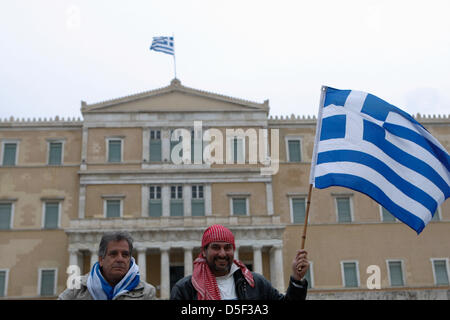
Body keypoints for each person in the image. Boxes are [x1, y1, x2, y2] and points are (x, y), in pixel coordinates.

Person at [170, 224, 309, 300]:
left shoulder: (255, 283)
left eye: (228, 248)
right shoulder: (185, 289)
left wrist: (297, 279)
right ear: (204, 251)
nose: (222, 253)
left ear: (233, 250)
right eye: (216, 247)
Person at [58, 231, 156, 300]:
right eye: (113, 254)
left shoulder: (147, 292)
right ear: (101, 259)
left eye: (125, 255)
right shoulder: (77, 290)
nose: (120, 259)